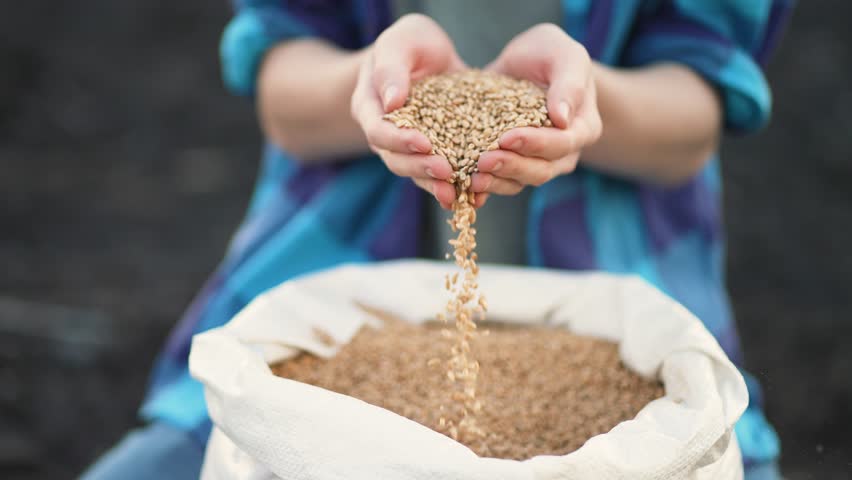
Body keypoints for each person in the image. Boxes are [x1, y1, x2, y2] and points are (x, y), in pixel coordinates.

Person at [80, 0, 793, 479]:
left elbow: (696, 111)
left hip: (622, 268)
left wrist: (586, 101)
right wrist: (370, 81)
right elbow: (284, 92)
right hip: (330, 266)